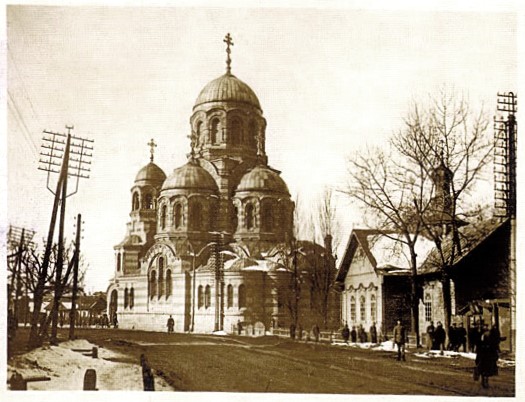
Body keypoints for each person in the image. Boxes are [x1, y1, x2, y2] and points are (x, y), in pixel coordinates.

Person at [474, 323, 499, 388]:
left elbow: (493, 344)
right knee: (483, 369)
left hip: (487, 354)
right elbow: (478, 344)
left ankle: (485, 381)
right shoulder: (481, 334)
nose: (485, 328)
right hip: (483, 354)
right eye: (485, 326)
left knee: (486, 369)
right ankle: (484, 381)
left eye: (486, 326)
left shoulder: (489, 335)